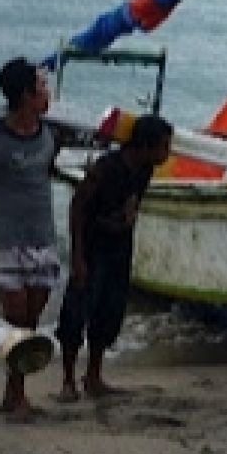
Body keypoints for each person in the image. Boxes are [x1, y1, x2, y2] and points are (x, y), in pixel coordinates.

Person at [0, 57, 67, 420]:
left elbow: (49, 172)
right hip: (6, 241)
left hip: (43, 238)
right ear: (24, 95)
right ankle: (16, 395)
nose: (46, 94)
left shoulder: (52, 134)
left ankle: (14, 393)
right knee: (15, 319)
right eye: (40, 89)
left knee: (31, 323)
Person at [56, 114, 173, 401]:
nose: (167, 154)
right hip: (93, 246)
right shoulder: (106, 168)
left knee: (109, 312)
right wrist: (78, 257)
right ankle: (68, 380)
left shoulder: (144, 170)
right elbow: (78, 209)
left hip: (119, 247)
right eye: (164, 147)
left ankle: (93, 376)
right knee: (76, 313)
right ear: (146, 145)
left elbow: (131, 205)